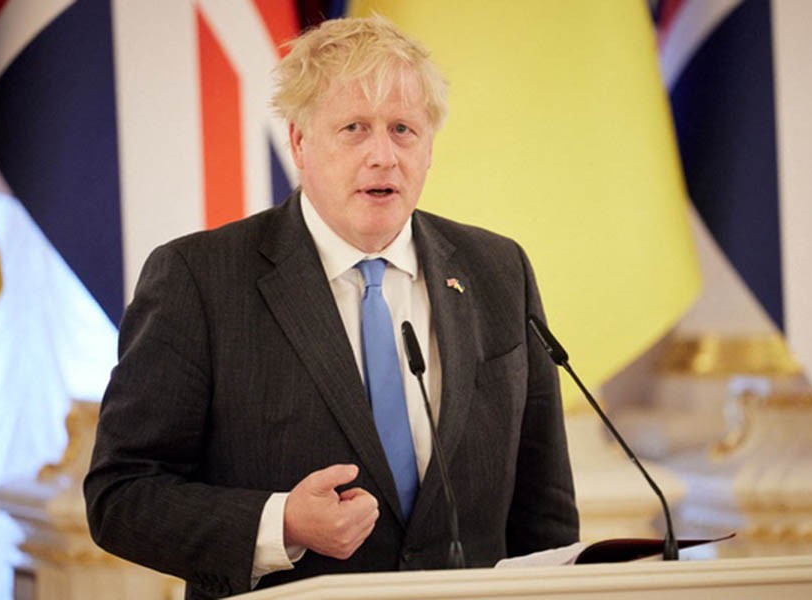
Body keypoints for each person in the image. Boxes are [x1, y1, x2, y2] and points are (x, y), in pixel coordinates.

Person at [84, 15, 578, 600]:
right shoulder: (200, 279)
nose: (383, 156)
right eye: (353, 128)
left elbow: (543, 515)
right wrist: (280, 523)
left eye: (403, 129)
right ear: (298, 140)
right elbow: (122, 494)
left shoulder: (497, 270)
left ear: (429, 147)